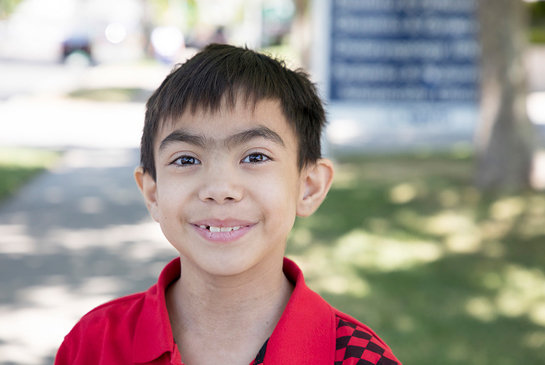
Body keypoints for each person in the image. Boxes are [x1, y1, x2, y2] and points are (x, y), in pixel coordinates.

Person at [54, 44, 402, 365]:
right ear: (153, 194)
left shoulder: (358, 358)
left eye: (255, 156)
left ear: (308, 187)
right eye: (187, 160)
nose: (219, 189)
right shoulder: (93, 343)